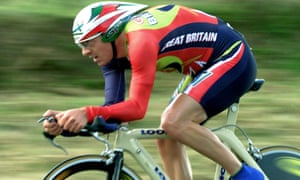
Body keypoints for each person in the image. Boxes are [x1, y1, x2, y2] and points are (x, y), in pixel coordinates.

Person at [42, 1, 264, 179]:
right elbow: (113, 115)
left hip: (233, 58)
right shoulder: (111, 56)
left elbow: (137, 109)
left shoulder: (141, 40)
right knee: (167, 135)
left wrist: (86, 112)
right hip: (203, 66)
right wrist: (68, 124)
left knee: (174, 122)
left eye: (88, 43)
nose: (84, 52)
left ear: (110, 33)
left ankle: (248, 176)